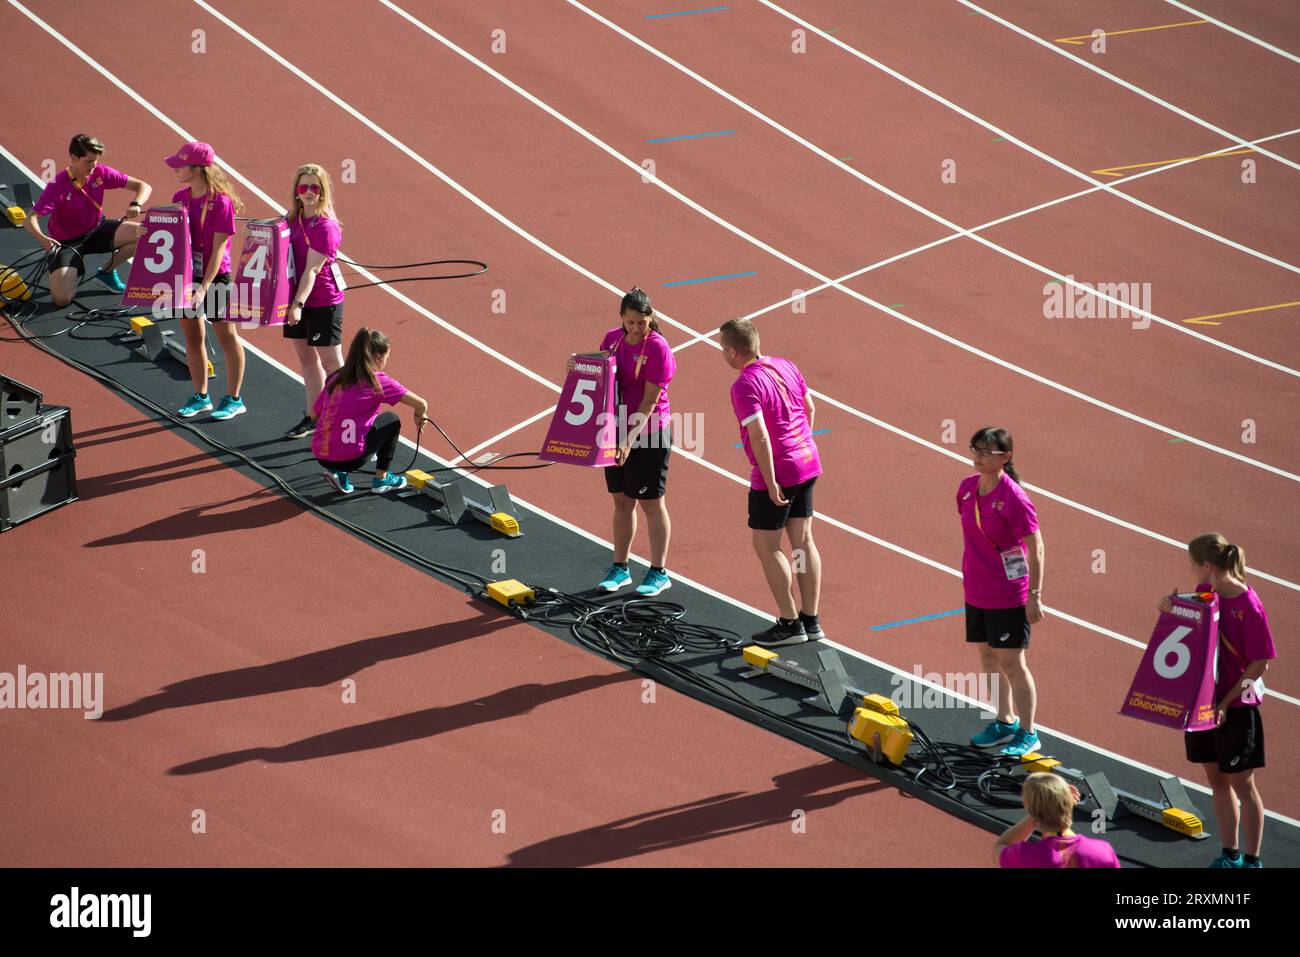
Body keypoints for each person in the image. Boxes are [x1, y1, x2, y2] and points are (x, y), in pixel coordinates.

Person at [1161, 534, 1275, 868]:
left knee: (1243, 783)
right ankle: (1230, 854)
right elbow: (1186, 630)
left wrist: (1225, 703)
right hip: (1203, 705)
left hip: (1236, 709)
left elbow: (1260, 664)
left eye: (1193, 565)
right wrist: (1168, 607)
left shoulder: (1248, 605)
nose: (1192, 571)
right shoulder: (1205, 595)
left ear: (1208, 566)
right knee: (1216, 780)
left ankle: (1252, 861)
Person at [719, 318, 823, 646]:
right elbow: (809, 407)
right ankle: (811, 619)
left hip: (779, 468)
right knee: (803, 541)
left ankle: (790, 623)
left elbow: (759, 434)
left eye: (723, 348)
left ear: (733, 352)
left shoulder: (744, 385)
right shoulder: (785, 365)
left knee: (766, 546)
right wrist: (800, 441)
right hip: (807, 460)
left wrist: (770, 478)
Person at [570, 287, 676, 597]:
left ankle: (659, 572)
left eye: (641, 322)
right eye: (630, 322)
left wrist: (629, 440)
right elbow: (601, 369)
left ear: (650, 318)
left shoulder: (658, 348)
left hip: (648, 431)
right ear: (621, 319)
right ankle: (620, 567)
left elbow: (649, 402)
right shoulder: (612, 338)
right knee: (621, 500)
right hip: (615, 428)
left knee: (651, 504)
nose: (635, 328)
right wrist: (577, 362)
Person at [959, 427, 1045, 758]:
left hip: (1008, 593)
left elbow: (1036, 548)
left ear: (1005, 457)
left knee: (1012, 662)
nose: (978, 456)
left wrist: (1035, 595)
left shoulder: (1015, 499)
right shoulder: (967, 489)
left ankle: (1028, 731)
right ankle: (1004, 721)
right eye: (975, 449)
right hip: (976, 589)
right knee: (988, 658)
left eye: (986, 452)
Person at [166, 142, 247, 421]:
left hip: (214, 277)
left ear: (197, 169)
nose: (176, 168)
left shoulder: (221, 202)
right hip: (188, 274)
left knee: (226, 337)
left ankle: (234, 398)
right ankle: (201, 396)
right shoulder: (180, 196)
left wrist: (203, 288)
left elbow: (218, 250)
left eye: (181, 164)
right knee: (192, 336)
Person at [25, 133, 151, 306]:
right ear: (73, 158)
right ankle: (63, 270)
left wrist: (136, 203)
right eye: (88, 161)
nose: (93, 166)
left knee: (145, 234)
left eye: (95, 160)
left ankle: (106, 272)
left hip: (96, 230)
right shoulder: (58, 185)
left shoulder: (100, 172)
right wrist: (45, 241)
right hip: (67, 243)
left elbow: (143, 186)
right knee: (61, 300)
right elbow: (30, 219)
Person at [313, 327, 428, 495]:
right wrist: (419, 415)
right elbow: (421, 404)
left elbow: (315, 412)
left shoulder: (336, 377)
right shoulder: (377, 381)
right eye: (387, 357)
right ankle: (382, 479)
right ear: (378, 357)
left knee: (344, 424)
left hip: (321, 454)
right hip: (351, 459)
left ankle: (340, 475)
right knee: (391, 420)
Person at [282, 164, 347, 440]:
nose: (309, 193)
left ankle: (345, 418)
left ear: (323, 192)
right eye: (303, 187)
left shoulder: (326, 227)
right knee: (307, 360)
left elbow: (311, 270)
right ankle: (314, 416)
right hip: (296, 300)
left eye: (315, 188)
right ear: (296, 191)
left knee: (332, 363)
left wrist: (297, 304)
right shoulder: (292, 219)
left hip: (321, 301)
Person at [995, 772, 1120, 868]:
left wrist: (1039, 808)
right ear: (1069, 803)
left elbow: (999, 846)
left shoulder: (1023, 855)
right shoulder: (1102, 851)